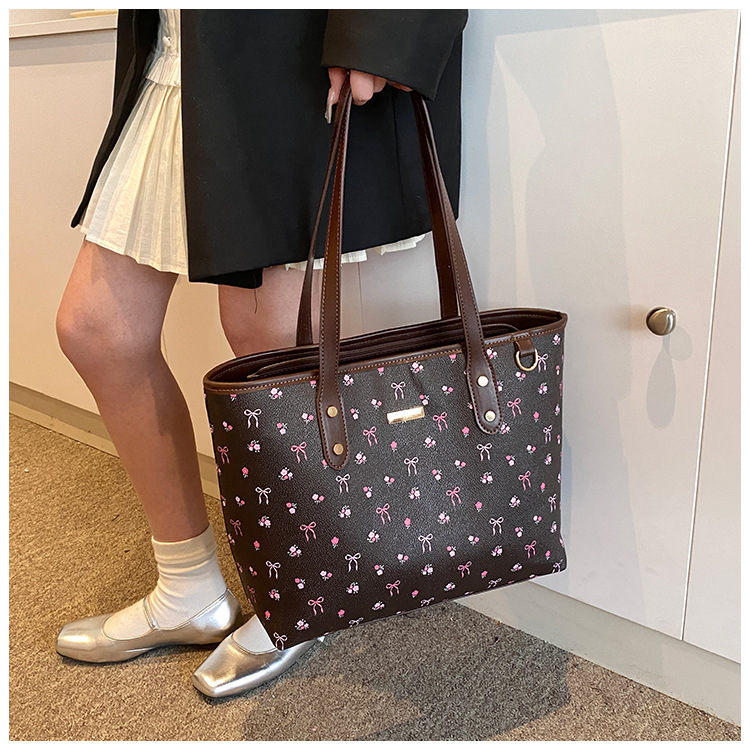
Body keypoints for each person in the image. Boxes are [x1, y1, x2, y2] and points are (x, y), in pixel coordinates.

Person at [54, 9, 467, 699]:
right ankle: (188, 589)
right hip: (178, 58)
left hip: (286, 53)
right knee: (97, 330)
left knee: (267, 347)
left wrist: (383, 30)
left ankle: (303, 594)